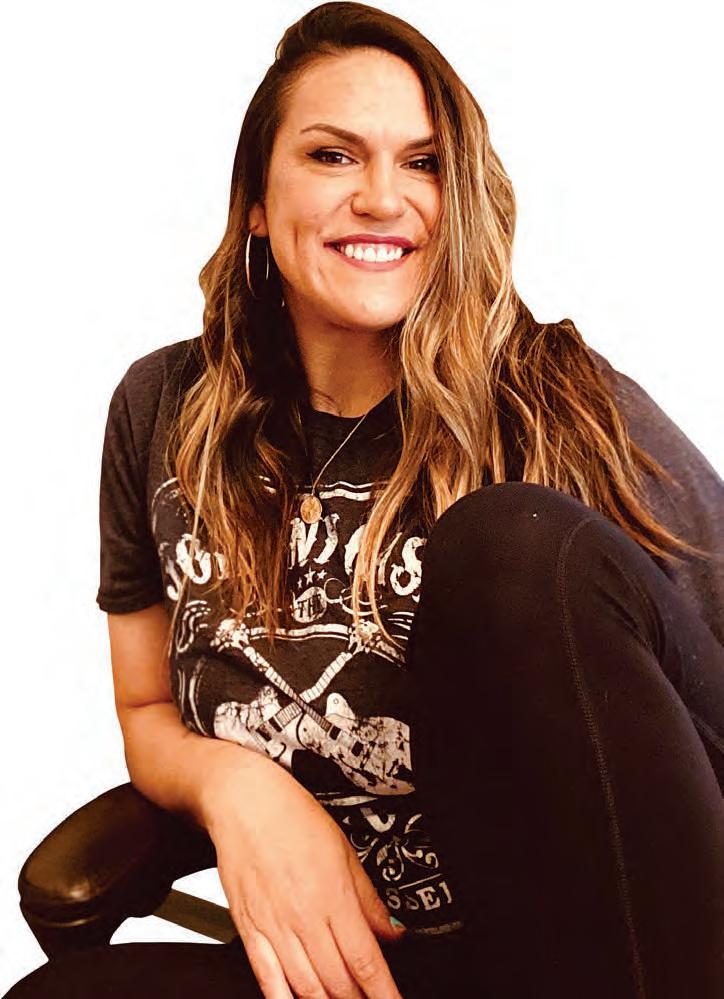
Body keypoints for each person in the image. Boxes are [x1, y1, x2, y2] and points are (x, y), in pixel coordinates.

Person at [6, 2, 724, 997]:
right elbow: (145, 704)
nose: (383, 197)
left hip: (584, 956)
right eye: (333, 155)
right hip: (354, 969)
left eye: (423, 163)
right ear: (257, 200)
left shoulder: (566, 401)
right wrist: (236, 787)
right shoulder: (162, 412)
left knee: (509, 543)